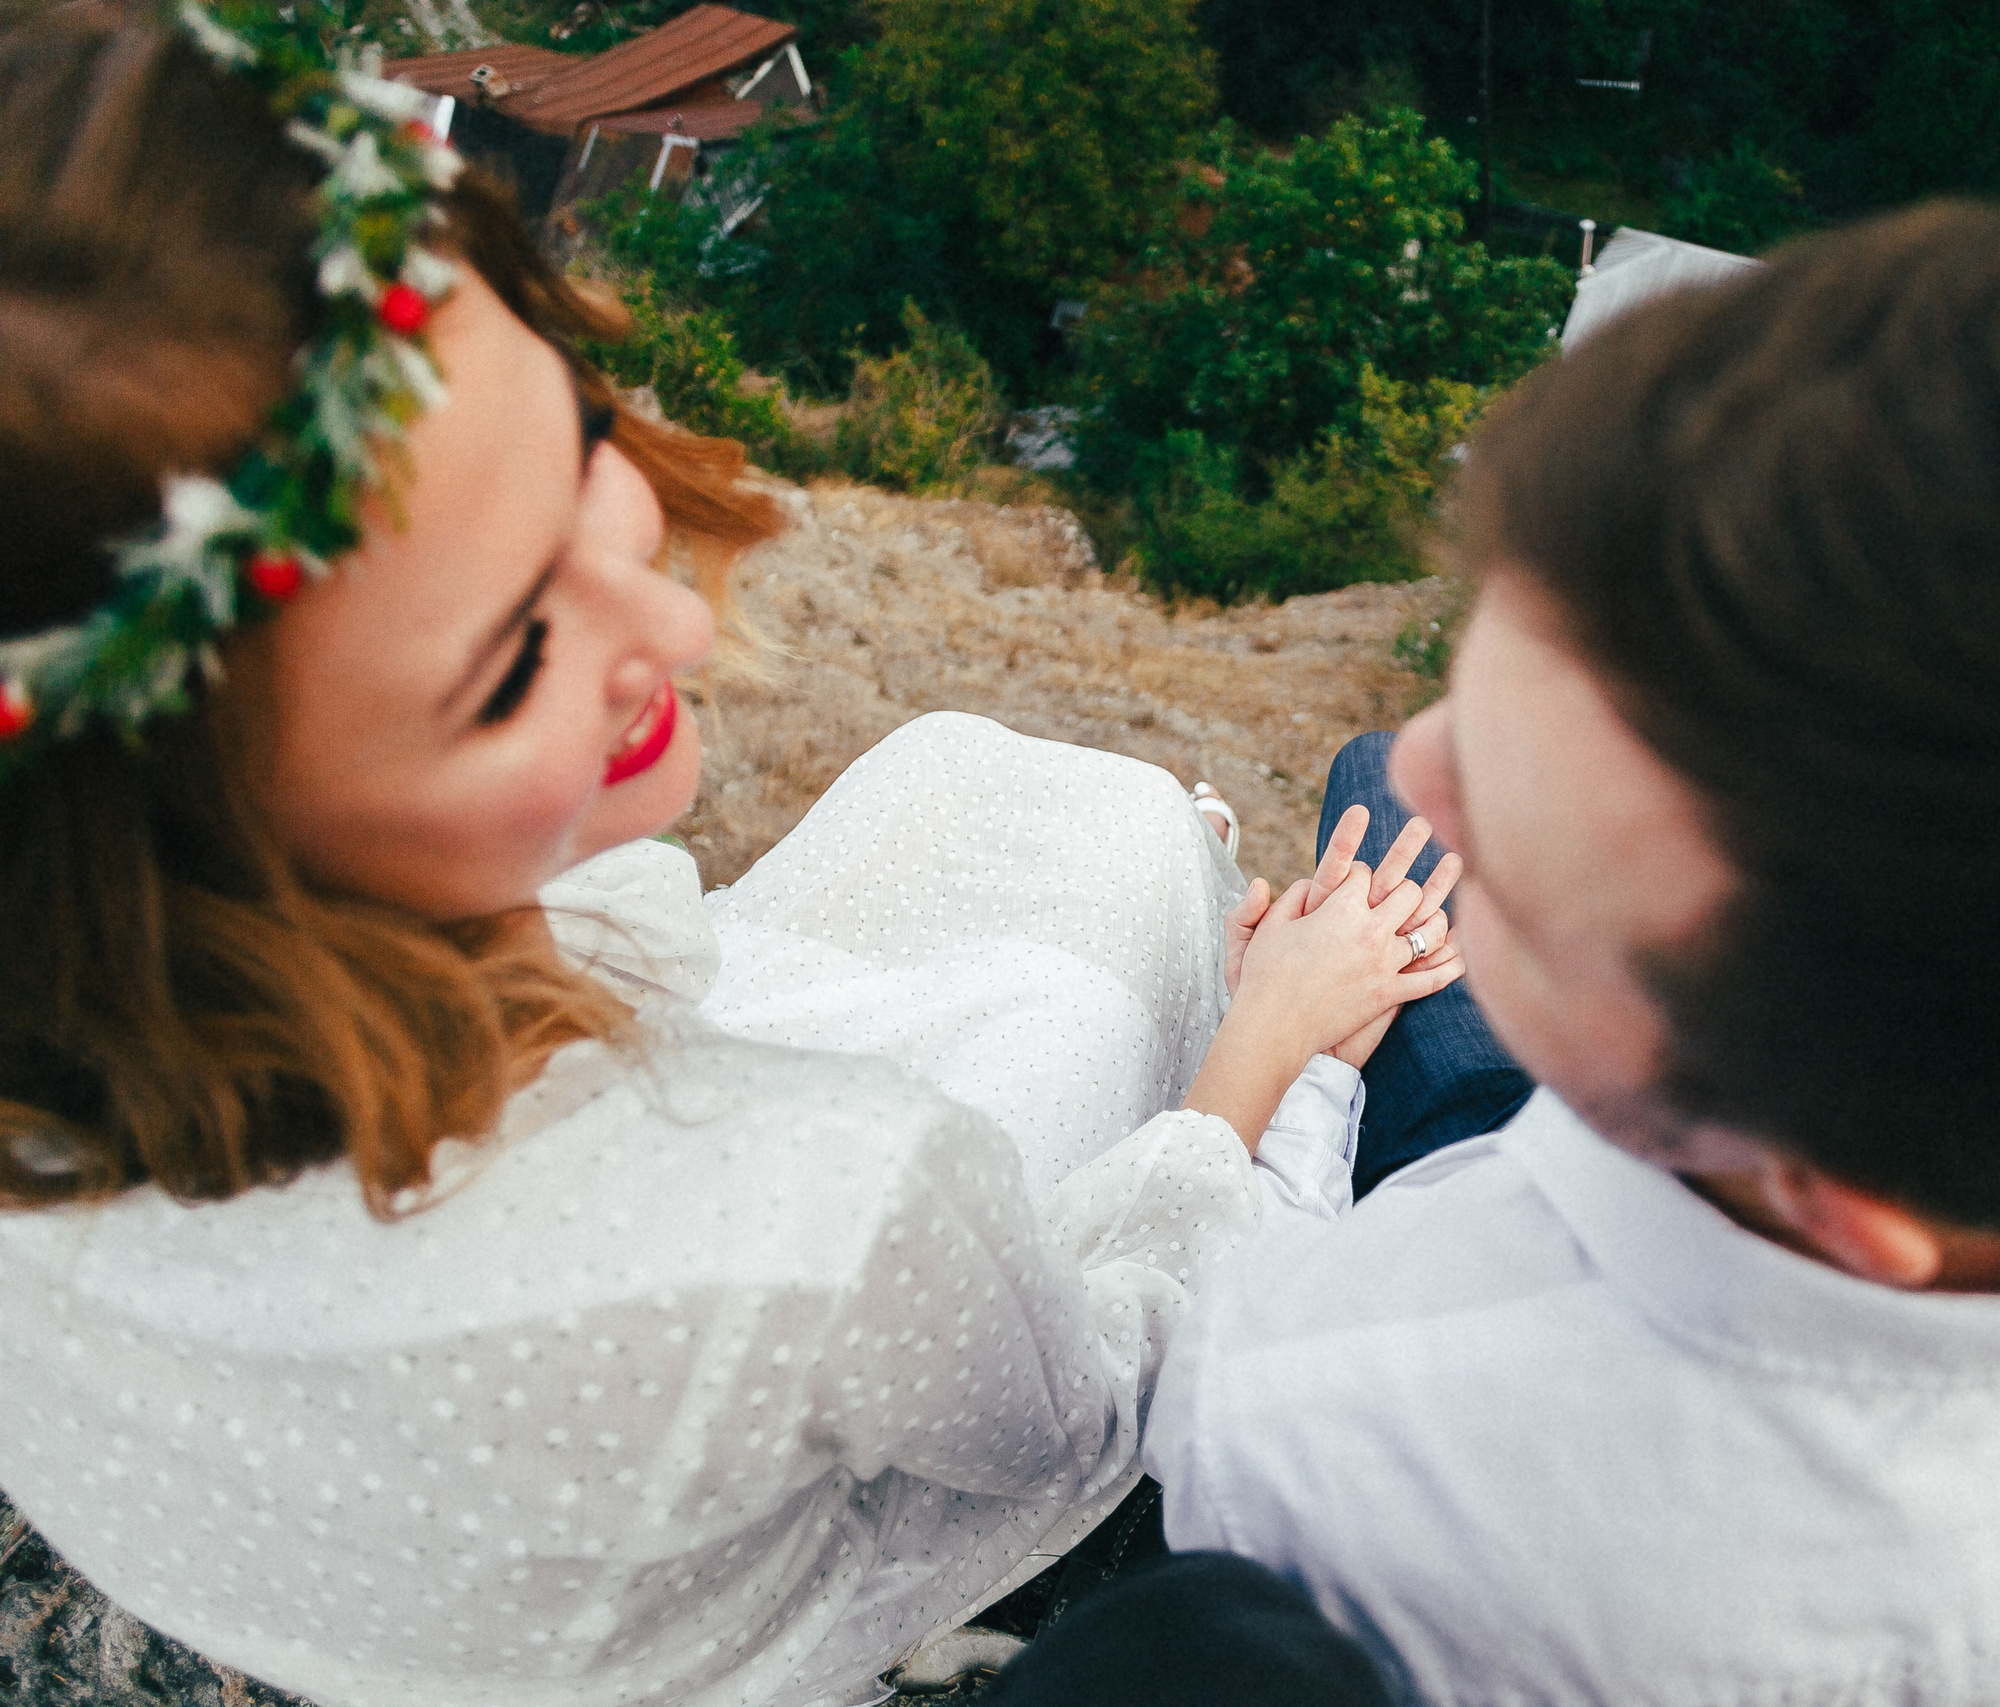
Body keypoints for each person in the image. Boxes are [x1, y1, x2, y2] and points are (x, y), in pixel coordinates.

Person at [0, 8, 1457, 1706]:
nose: (680, 621)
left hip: (449, 1455)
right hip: (749, 1557)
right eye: (506, 664)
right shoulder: (823, 1201)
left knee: (963, 776)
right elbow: (1089, 1420)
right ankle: (1199, 942)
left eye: (575, 446)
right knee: (1102, 894)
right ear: (200, 857)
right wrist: (1267, 1055)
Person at [1139, 182, 2000, 1706]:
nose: (1431, 765)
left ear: (1842, 1201)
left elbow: (1177, 1358)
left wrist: (1292, 1061)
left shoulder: (1345, 1452)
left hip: (1483, 1237)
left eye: (1522, 885)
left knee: (1360, 798)